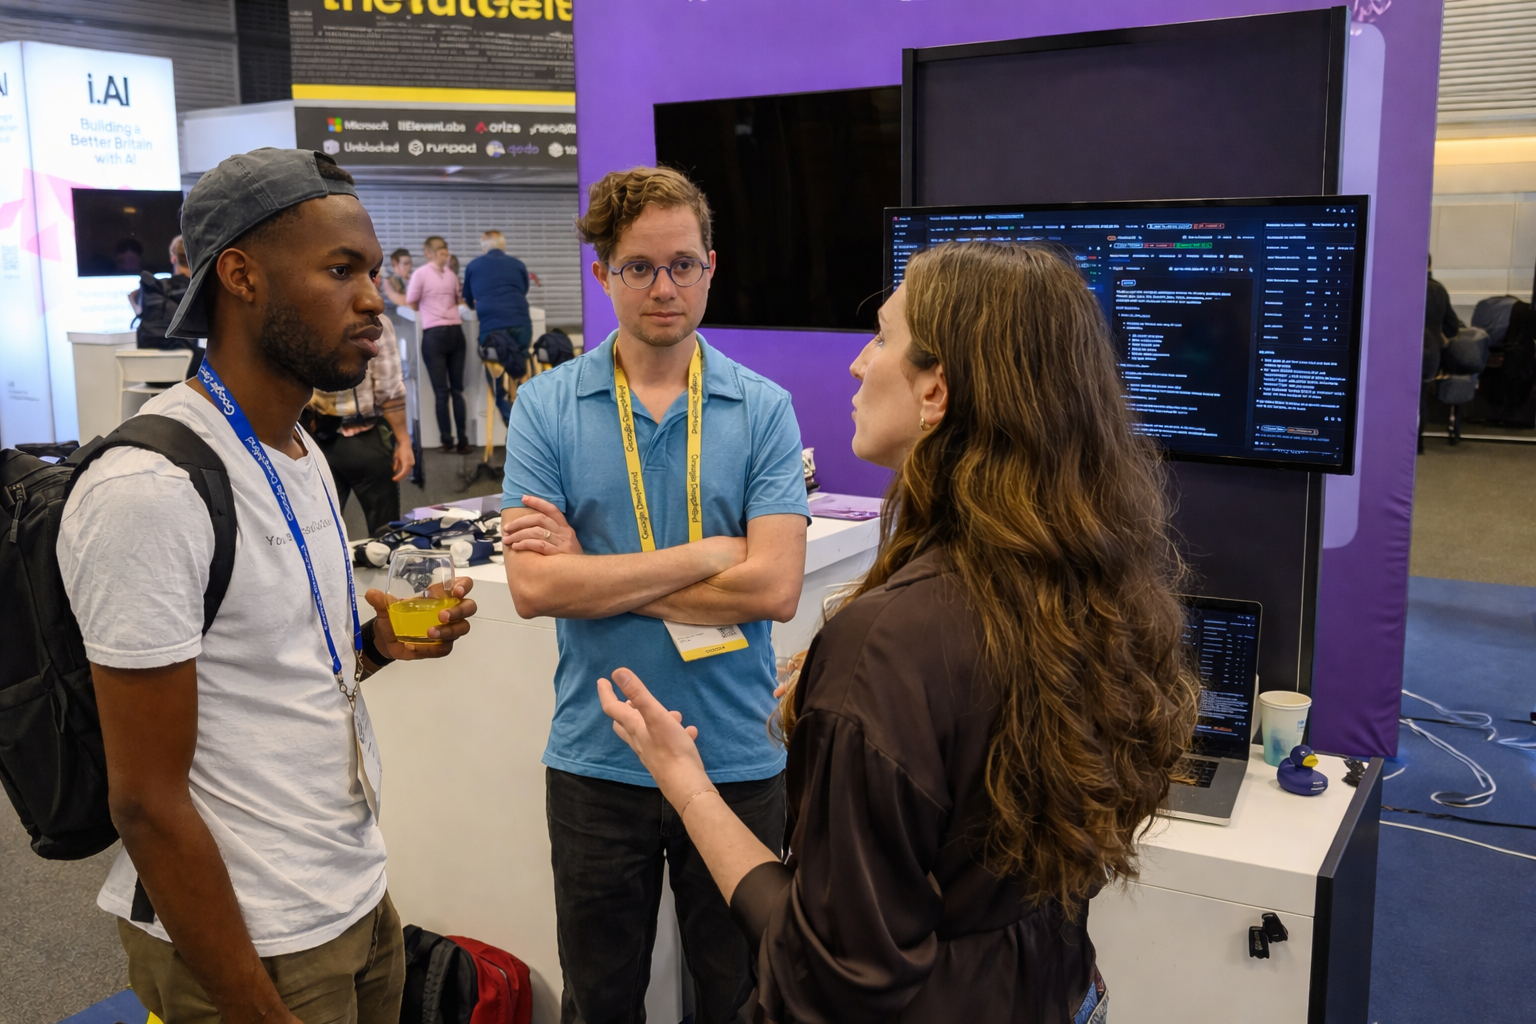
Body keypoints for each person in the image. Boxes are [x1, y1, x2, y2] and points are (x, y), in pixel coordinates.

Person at [598, 242, 1201, 1023]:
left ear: (936, 391)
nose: (856, 365)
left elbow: (831, 979)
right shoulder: (1086, 588)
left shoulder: (888, 647)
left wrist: (684, 780)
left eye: (880, 337)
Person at [58, 148, 479, 1024]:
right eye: (341, 270)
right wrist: (253, 1005)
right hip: (249, 945)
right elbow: (144, 800)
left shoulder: (295, 449)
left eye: (372, 270)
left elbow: (278, 673)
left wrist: (375, 645)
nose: (375, 298)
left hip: (351, 898)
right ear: (241, 277)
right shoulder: (150, 491)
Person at [499, 165, 811, 1024]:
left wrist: (594, 579)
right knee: (601, 1000)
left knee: (741, 998)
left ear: (712, 266)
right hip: (598, 756)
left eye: (682, 265)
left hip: (737, 755)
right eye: (638, 267)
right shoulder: (545, 406)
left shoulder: (766, 409)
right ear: (602, 275)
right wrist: (714, 554)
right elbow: (533, 588)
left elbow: (777, 587)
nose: (663, 287)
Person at [304, 285, 415, 536]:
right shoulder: (376, 324)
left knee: (318, 532)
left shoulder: (308, 316)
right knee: (385, 534)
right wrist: (404, 441)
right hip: (364, 442)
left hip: (312, 438)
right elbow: (389, 389)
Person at [463, 229, 543, 422]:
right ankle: (529, 407)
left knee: (494, 366)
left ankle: (506, 409)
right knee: (521, 359)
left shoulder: (473, 266)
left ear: (484, 247)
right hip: (521, 325)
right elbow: (522, 290)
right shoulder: (517, 264)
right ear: (503, 245)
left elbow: (467, 298)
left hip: (492, 331)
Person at [406, 235, 470, 453]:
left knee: (448, 392)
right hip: (445, 334)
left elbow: (414, 302)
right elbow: (413, 302)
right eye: (442, 250)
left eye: (446, 250)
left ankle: (454, 440)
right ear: (432, 252)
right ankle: (455, 440)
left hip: (444, 334)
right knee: (450, 391)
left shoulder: (437, 275)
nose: (446, 254)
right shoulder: (434, 274)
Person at [129, 235, 201, 380]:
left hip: (149, 375)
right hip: (185, 375)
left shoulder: (153, 287)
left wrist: (132, 299)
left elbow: (141, 312)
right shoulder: (198, 290)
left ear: (173, 259)